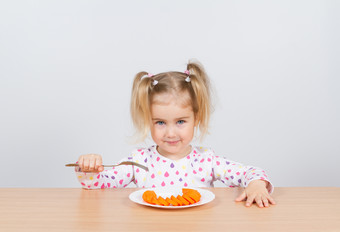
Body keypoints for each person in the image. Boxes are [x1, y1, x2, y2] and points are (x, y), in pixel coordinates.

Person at [75, 60, 276, 208]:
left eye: (180, 121)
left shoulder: (207, 160)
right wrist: (89, 169)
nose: (171, 133)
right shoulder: (139, 161)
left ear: (196, 118)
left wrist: (257, 185)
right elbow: (99, 184)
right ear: (148, 121)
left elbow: (251, 172)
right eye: (160, 122)